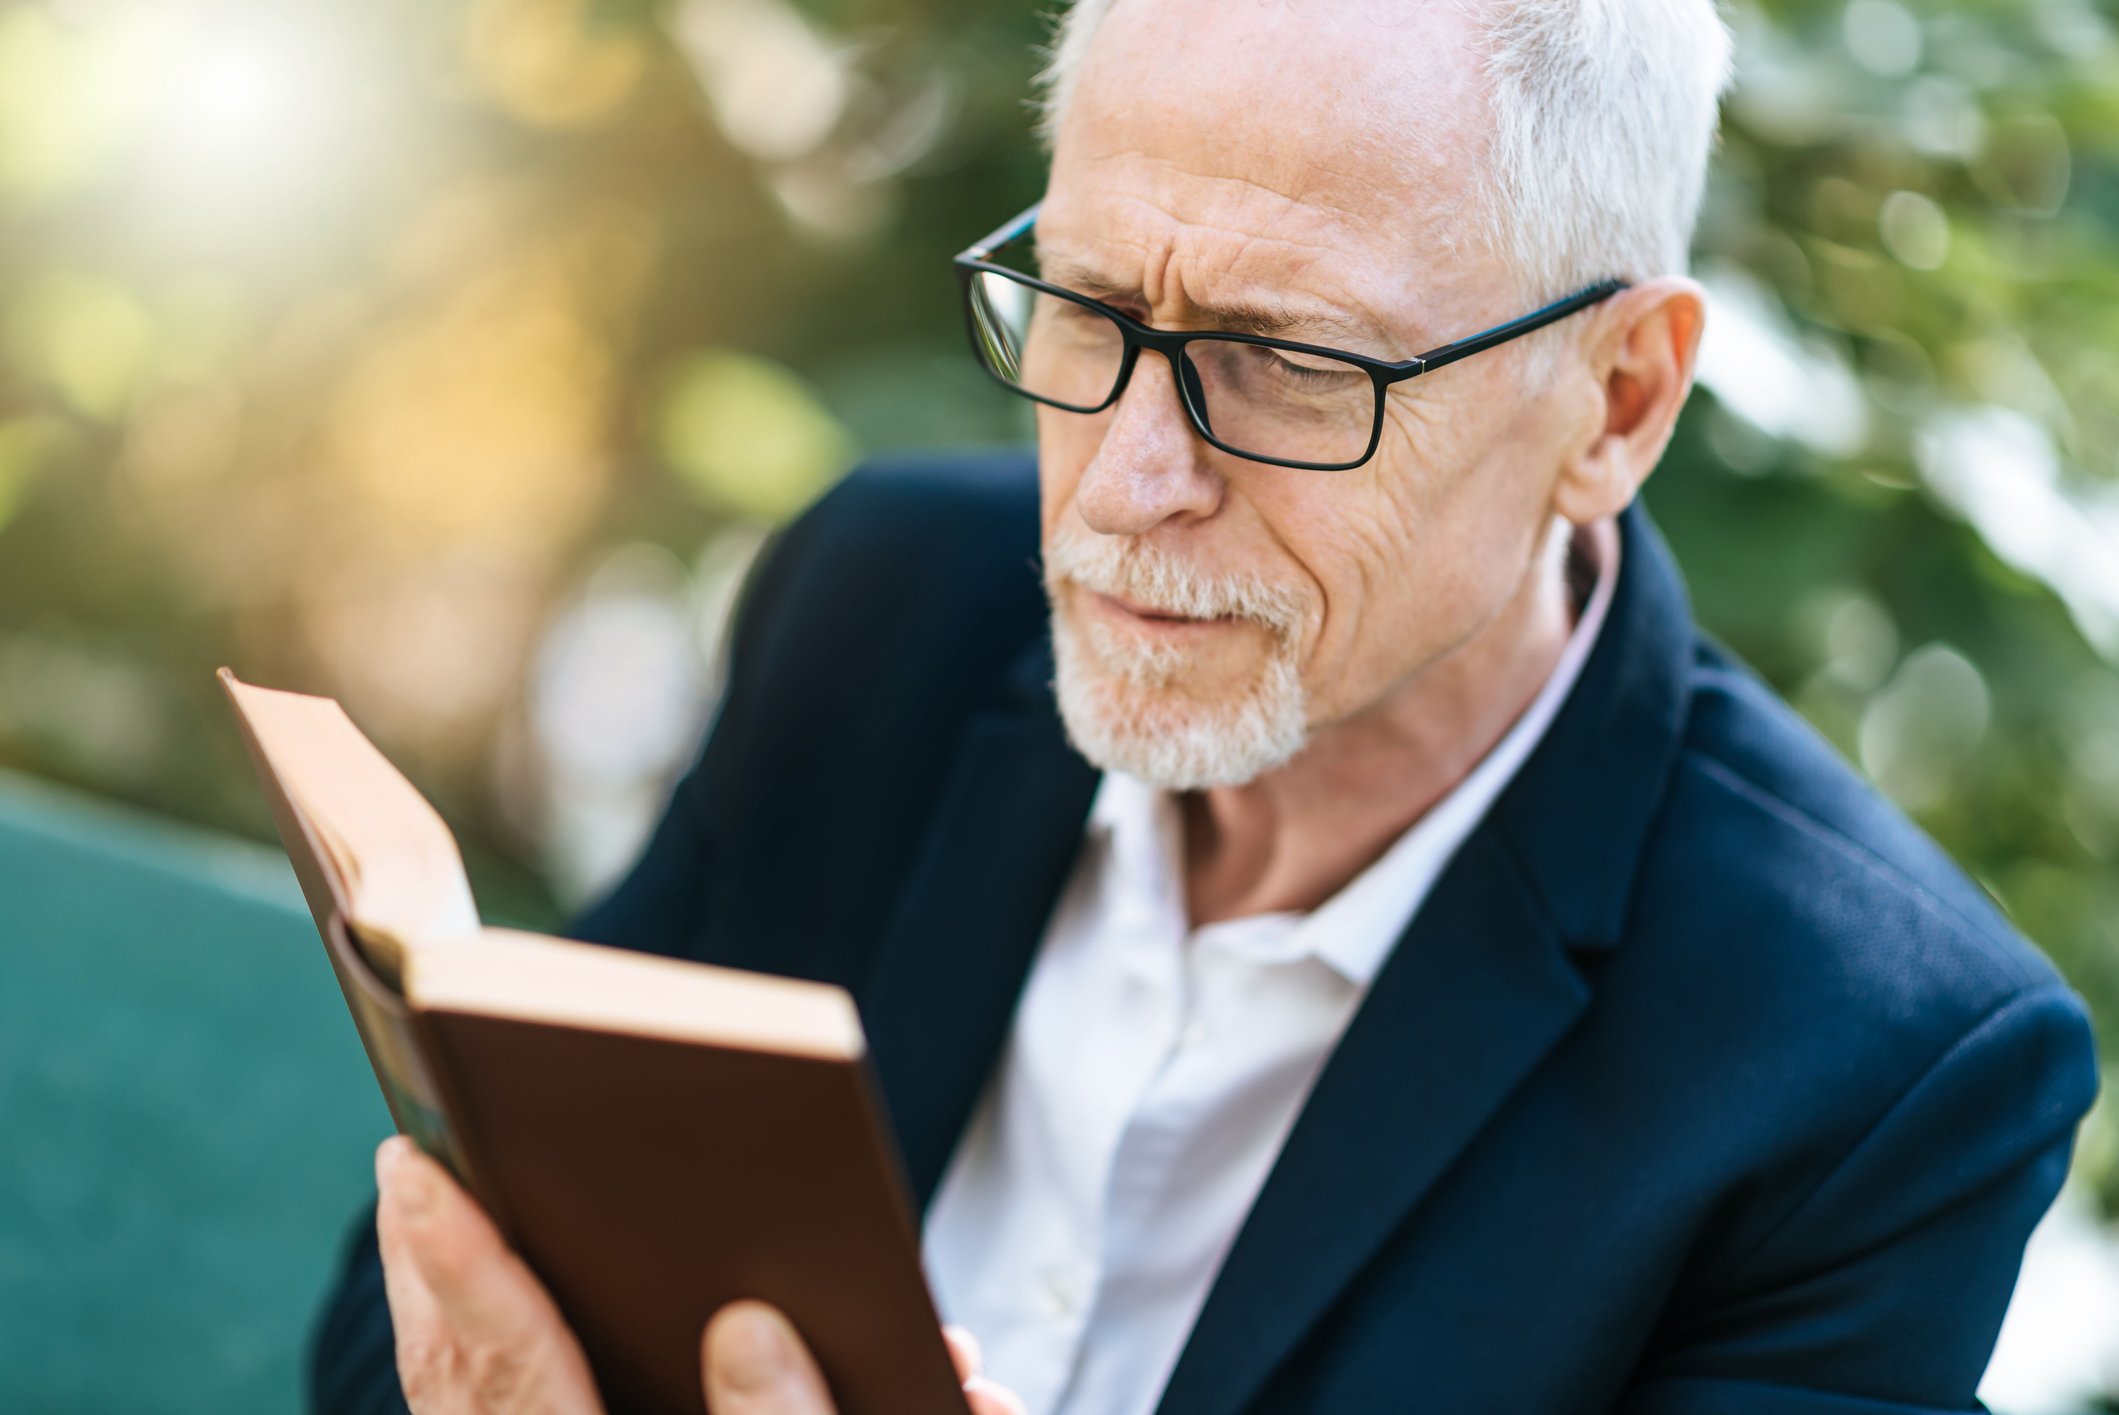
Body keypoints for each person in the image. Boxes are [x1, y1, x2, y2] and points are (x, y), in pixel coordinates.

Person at [310, 1, 2102, 1412]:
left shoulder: (1872, 1076)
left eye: (1283, 363)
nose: (1123, 486)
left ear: (1615, 404)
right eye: (1086, 308)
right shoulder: (884, 616)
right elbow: (420, 1322)